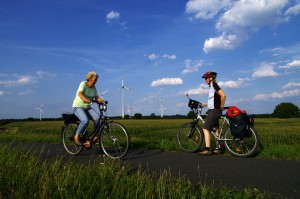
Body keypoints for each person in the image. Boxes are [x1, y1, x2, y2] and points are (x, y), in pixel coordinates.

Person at [72, 71, 104, 145]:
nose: (96, 81)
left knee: (97, 118)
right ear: (89, 79)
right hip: (78, 106)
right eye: (95, 80)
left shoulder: (93, 87)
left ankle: (96, 137)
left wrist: (102, 101)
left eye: (96, 80)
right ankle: (76, 136)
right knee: (85, 120)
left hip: (87, 108)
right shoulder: (83, 84)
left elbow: (96, 97)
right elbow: (80, 93)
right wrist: (85, 99)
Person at [199, 71, 226, 155]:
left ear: (211, 78)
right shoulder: (211, 87)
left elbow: (223, 95)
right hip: (214, 110)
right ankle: (218, 148)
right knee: (215, 130)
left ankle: (207, 149)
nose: (205, 80)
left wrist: (221, 105)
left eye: (206, 78)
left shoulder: (214, 85)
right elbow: (214, 100)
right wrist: (206, 104)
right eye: (205, 78)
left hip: (214, 111)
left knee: (205, 128)